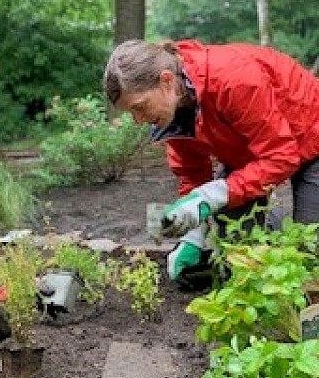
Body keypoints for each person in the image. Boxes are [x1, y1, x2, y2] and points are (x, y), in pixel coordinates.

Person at [103, 39, 319, 283]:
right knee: (238, 256)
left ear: (166, 80)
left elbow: (281, 156)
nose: (138, 120)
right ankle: (268, 234)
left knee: (310, 253)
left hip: (311, 136)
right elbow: (192, 174)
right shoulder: (174, 110)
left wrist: (216, 194)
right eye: (131, 113)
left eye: (139, 107)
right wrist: (194, 233)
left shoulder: (233, 80)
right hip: (250, 150)